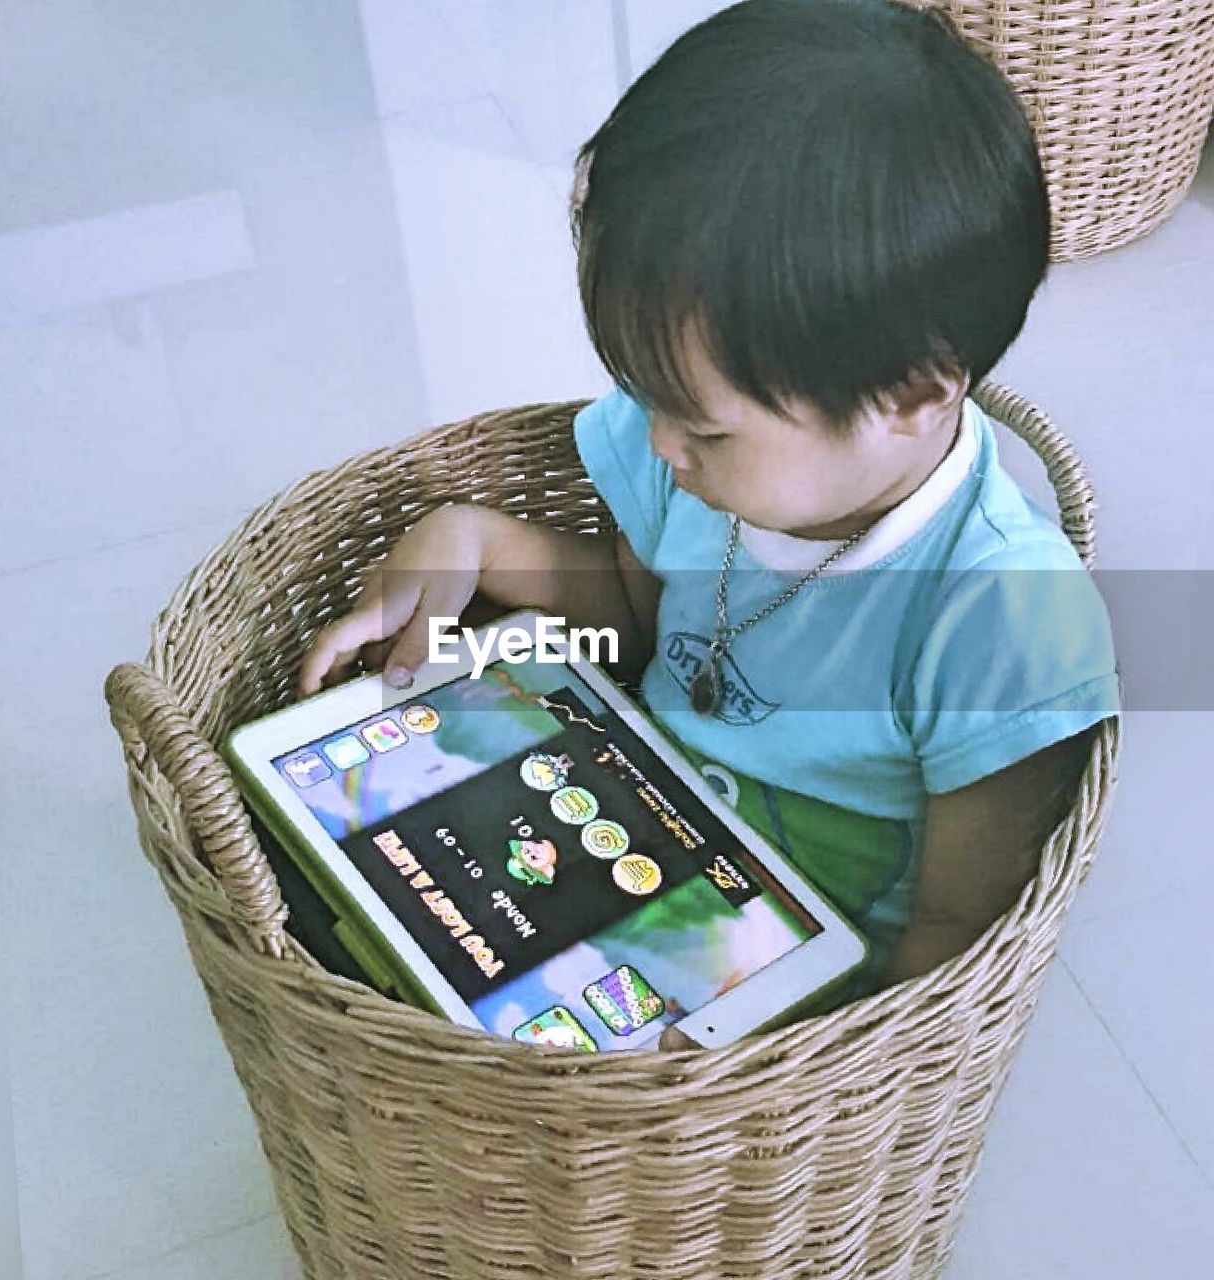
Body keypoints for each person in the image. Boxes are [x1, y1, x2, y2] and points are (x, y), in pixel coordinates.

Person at [299, 0, 1118, 995]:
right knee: (344, 883)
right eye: (647, 398)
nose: (656, 444)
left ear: (907, 394)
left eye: (700, 424)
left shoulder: (1000, 618)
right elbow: (643, 617)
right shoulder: (697, 455)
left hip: (789, 979)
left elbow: (956, 936)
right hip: (626, 830)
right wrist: (470, 538)